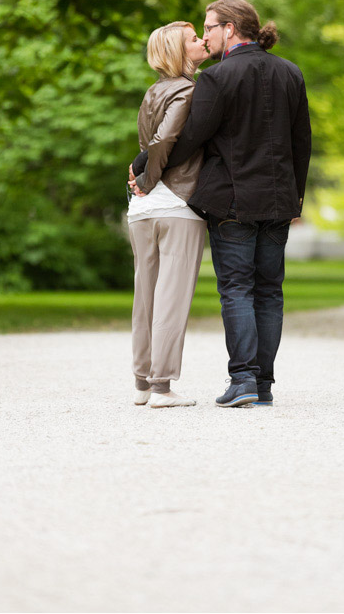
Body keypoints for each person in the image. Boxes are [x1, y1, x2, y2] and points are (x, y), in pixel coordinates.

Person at [130, 0, 312, 408]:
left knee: (236, 289)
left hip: (232, 201)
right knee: (270, 291)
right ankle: (263, 385)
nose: (206, 34)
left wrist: (143, 167)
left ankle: (243, 379)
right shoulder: (290, 72)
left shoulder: (217, 78)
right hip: (280, 200)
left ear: (230, 28)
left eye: (209, 27)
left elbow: (190, 136)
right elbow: (303, 144)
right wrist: (295, 196)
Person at [127, 21, 210, 408]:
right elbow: (164, 139)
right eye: (194, 39)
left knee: (145, 298)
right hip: (175, 202)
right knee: (171, 298)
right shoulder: (189, 89)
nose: (202, 41)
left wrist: (143, 181)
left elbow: (148, 141)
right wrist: (149, 177)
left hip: (142, 211)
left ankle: (143, 383)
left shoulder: (152, 90)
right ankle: (162, 387)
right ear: (179, 51)